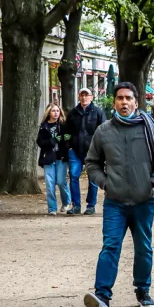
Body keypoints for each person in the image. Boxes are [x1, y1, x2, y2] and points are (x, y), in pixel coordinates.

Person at [82, 82, 154, 307]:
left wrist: (153, 180)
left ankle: (143, 291)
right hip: (115, 202)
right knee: (111, 245)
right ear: (114, 102)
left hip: (144, 200)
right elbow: (92, 162)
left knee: (143, 248)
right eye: (120, 98)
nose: (124, 102)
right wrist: (105, 183)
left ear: (136, 102)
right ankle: (102, 295)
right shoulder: (104, 131)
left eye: (128, 98)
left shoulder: (150, 127)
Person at [66, 87, 107, 215]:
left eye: (86, 95)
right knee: (73, 176)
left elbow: (104, 131)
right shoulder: (73, 113)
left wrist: (101, 148)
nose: (84, 98)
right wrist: (69, 146)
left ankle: (91, 205)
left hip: (92, 151)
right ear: (79, 97)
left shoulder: (98, 112)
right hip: (75, 150)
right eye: (82, 95)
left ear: (91, 97)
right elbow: (66, 132)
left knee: (93, 178)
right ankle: (76, 205)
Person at [37, 102, 71, 215]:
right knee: (49, 184)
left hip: (61, 157)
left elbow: (69, 137)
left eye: (57, 111)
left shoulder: (63, 125)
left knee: (61, 182)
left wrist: (66, 140)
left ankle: (66, 203)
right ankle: (52, 208)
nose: (56, 113)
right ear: (49, 112)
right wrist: (53, 140)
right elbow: (40, 142)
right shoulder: (44, 126)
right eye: (53, 111)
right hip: (48, 158)